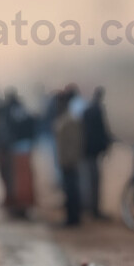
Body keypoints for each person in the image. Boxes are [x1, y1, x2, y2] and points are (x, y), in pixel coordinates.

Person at [53, 91, 84, 227]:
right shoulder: (66, 119)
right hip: (66, 161)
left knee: (71, 191)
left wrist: (70, 160)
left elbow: (75, 143)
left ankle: (73, 218)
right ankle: (72, 217)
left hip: (69, 162)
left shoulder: (69, 120)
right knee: (69, 190)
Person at [82, 87, 113, 219]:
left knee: (90, 180)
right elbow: (102, 130)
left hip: (88, 151)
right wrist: (106, 144)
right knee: (94, 181)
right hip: (93, 152)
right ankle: (94, 210)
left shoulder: (87, 110)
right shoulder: (97, 110)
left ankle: (91, 208)